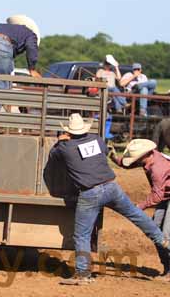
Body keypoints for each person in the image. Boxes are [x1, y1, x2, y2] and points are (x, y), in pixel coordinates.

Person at [47, 114, 170, 285]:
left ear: (68, 131)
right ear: (85, 128)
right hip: (111, 187)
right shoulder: (97, 139)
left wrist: (60, 141)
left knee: (82, 234)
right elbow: (104, 152)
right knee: (136, 214)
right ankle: (162, 239)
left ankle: (83, 274)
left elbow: (53, 156)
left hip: (90, 192)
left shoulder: (64, 147)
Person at [110, 139, 170, 279]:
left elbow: (156, 197)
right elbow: (128, 164)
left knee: (165, 234)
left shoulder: (157, 169)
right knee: (156, 230)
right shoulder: (150, 156)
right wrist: (114, 158)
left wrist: (139, 207)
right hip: (166, 195)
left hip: (163, 196)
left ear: (143, 155)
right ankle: (168, 267)